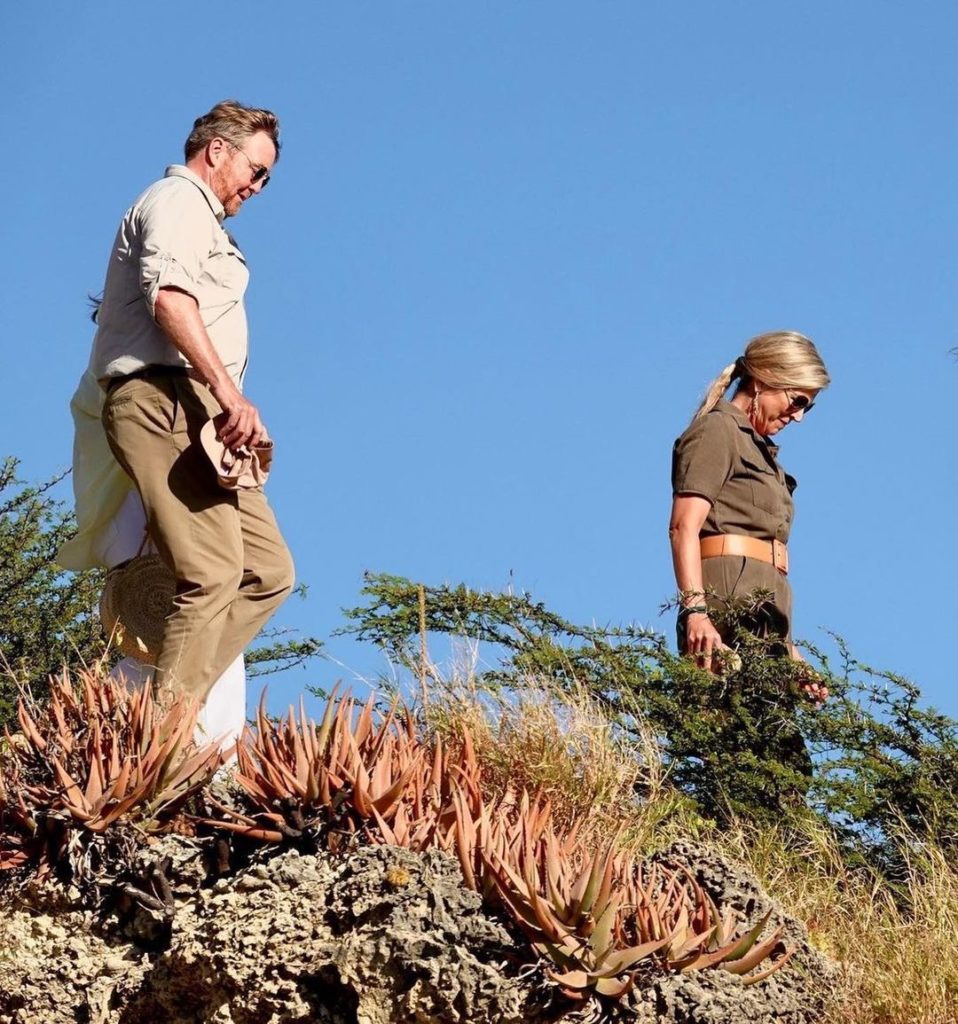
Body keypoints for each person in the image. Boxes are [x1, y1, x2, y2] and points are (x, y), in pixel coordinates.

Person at [81, 99, 294, 707]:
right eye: (256, 170)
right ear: (217, 150)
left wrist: (221, 406)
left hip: (200, 410)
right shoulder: (178, 201)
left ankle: (168, 704)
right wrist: (230, 394)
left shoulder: (208, 223)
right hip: (163, 397)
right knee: (212, 572)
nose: (258, 187)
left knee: (268, 571)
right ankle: (163, 737)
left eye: (267, 178)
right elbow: (169, 298)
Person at [668, 330, 829, 701]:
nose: (799, 416)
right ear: (763, 380)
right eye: (797, 400)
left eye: (808, 407)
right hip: (723, 609)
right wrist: (695, 612)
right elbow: (682, 527)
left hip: (767, 613)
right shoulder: (717, 430)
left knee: (768, 734)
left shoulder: (763, 454)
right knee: (724, 725)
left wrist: (790, 654)